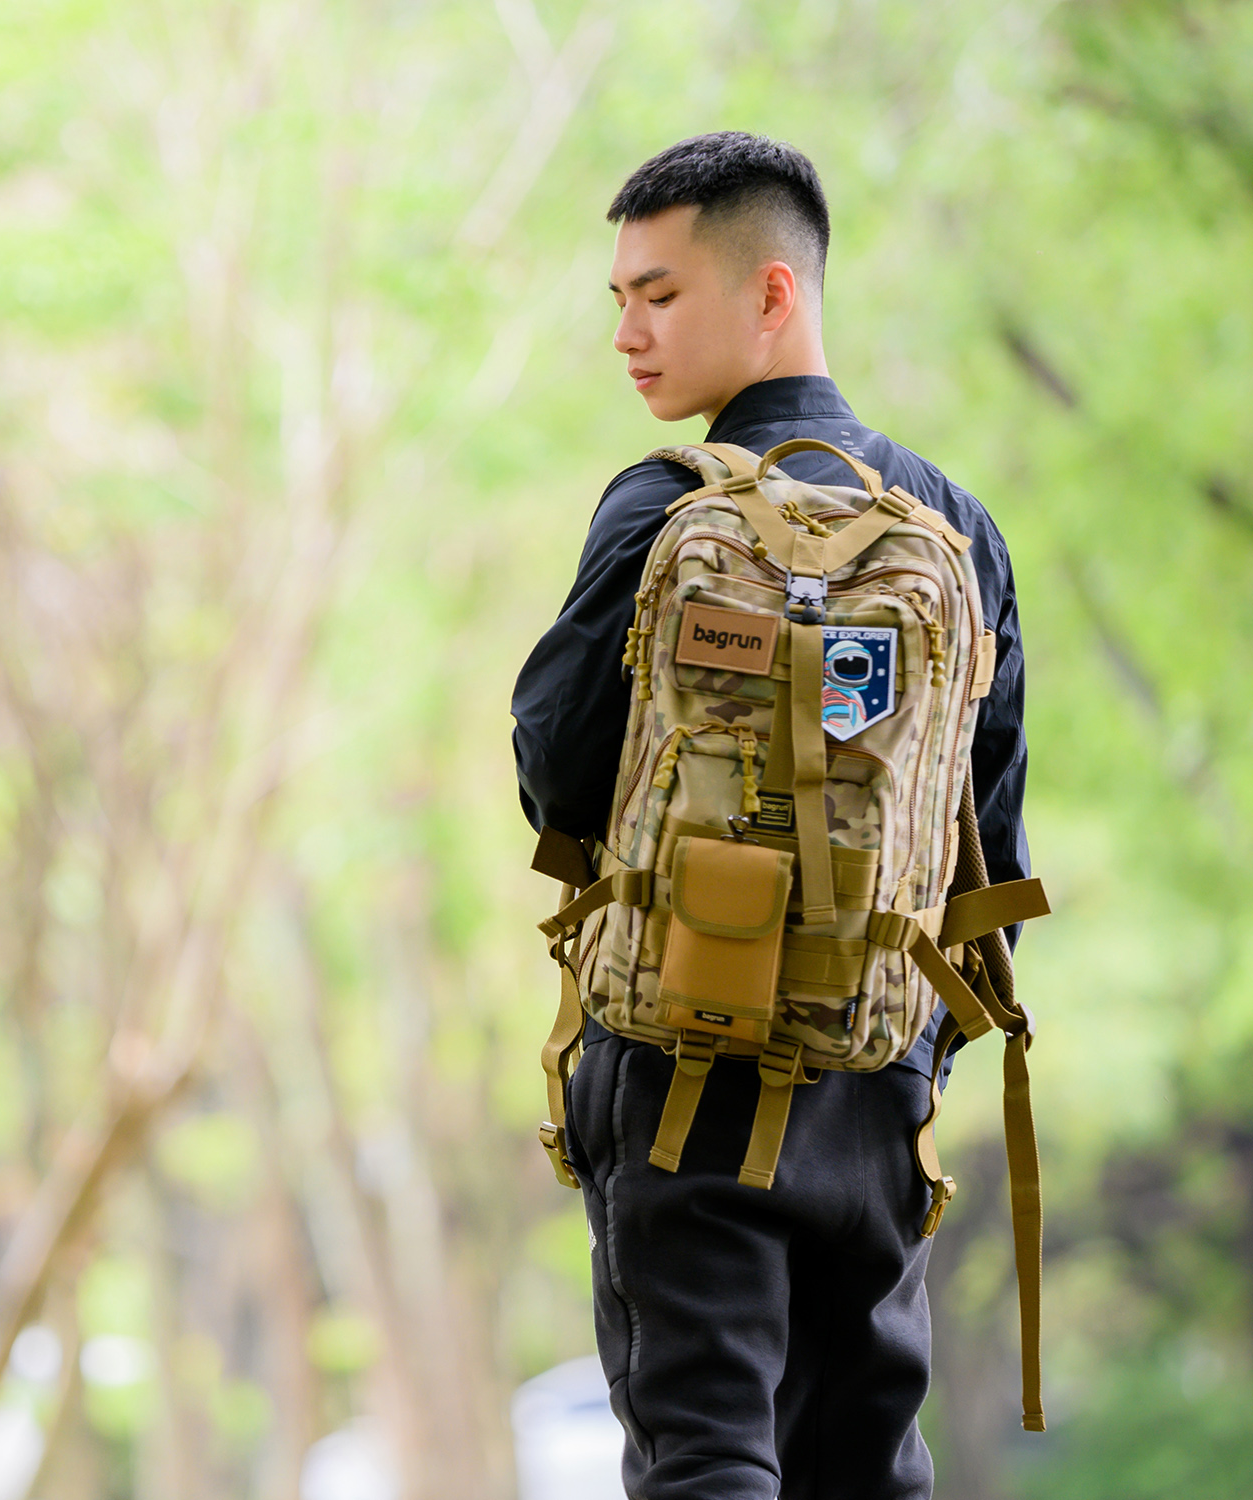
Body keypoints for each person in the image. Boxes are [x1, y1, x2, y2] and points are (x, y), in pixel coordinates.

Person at [510, 133, 1029, 1500]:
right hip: (878, 1080)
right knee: (867, 1462)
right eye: (619, 297)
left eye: (660, 294)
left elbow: (554, 771)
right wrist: (906, 1058)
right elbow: (992, 841)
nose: (626, 331)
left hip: (685, 1063)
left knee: (706, 1455)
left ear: (774, 293)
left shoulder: (662, 504)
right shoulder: (954, 524)